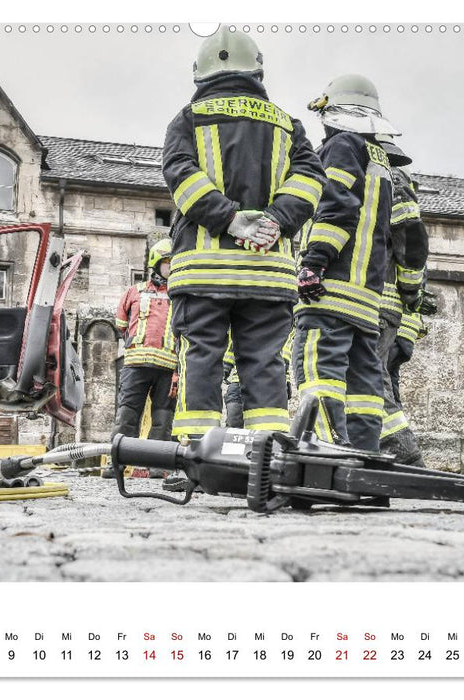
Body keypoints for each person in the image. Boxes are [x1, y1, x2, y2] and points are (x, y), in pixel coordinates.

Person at [162, 27, 326, 442]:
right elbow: (310, 180)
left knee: (201, 358)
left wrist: (229, 219)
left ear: (199, 72)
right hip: (267, 273)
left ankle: (197, 452)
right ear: (257, 70)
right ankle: (268, 454)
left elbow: (180, 176)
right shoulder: (288, 125)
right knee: (265, 362)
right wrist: (275, 221)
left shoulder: (188, 119)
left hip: (203, 273)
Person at [293, 74, 398, 452]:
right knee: (363, 389)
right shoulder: (381, 158)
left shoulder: (341, 146)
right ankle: (364, 456)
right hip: (366, 298)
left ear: (333, 112)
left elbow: (337, 206)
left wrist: (313, 263)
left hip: (330, 289)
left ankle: (326, 455)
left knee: (319, 376)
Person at [374, 139, 430, 465]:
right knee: (381, 386)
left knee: (372, 383)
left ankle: (405, 458)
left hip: (378, 307)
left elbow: (410, 248)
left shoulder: (391, 182)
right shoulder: (398, 185)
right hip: (391, 315)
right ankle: (389, 458)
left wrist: (410, 294)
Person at [109, 239, 178, 454]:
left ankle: (156, 465)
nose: (171, 268)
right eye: (168, 263)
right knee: (127, 416)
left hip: (168, 368)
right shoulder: (134, 292)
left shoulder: (180, 295)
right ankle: (118, 462)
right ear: (156, 264)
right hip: (136, 365)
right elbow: (121, 325)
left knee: (163, 421)